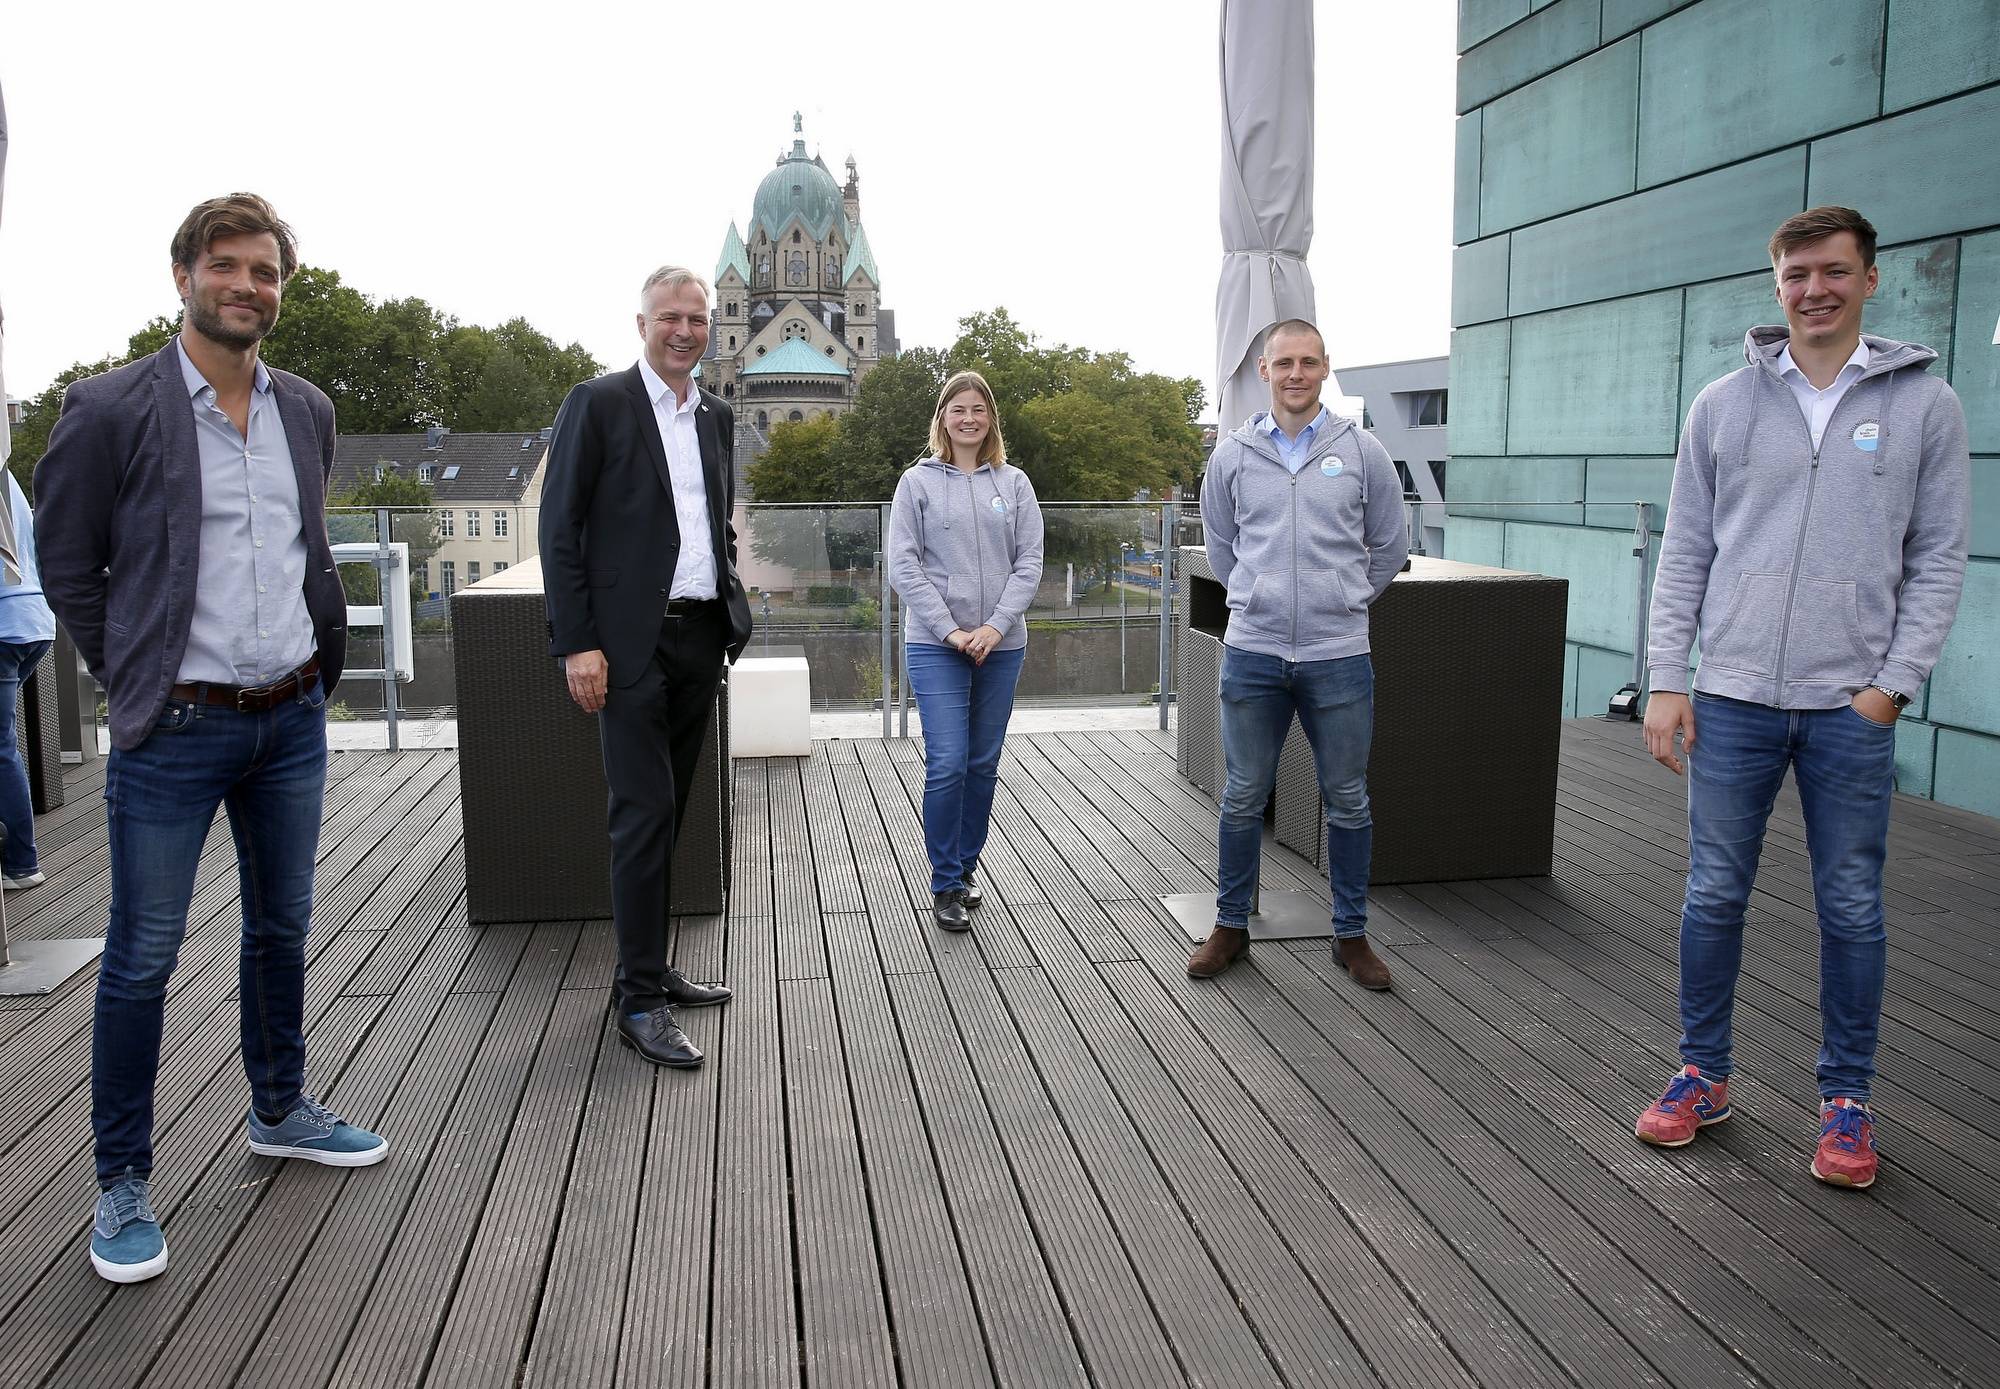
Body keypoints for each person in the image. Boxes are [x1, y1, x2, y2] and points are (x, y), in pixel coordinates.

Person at [36, 193, 385, 1285]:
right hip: (174, 725)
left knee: (281, 928)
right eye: (226, 265)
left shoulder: (306, 410)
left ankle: (278, 1108)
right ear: (183, 276)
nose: (246, 285)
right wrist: (134, 671)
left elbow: (299, 548)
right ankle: (121, 1181)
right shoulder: (107, 410)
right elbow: (66, 566)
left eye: (264, 270)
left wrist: (313, 674)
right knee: (142, 956)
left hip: (291, 716)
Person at [1637, 206, 1970, 1191]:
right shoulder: (1721, 404)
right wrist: (1667, 678)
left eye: (1832, 271)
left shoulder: (1926, 406)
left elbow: (1938, 557)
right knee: (1712, 893)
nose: (1813, 289)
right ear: (1775, 284)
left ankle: (1846, 1100)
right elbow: (1684, 549)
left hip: (1847, 708)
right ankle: (1703, 1074)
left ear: (1869, 278)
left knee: (1851, 906)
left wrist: (1890, 688)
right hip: (1732, 696)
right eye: (1796, 274)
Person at [538, 266, 750, 1069]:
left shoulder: (716, 415)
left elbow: (714, 522)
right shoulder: (597, 403)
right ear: (642, 324)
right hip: (626, 645)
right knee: (642, 814)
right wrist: (577, 642)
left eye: (697, 318)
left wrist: (728, 598)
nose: (685, 330)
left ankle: (652, 967)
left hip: (700, 637)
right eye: (671, 317)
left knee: (672, 808)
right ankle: (636, 1000)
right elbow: (560, 529)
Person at [1191, 319, 1407, 987]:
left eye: (1307, 362)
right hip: (1254, 652)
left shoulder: (1362, 450)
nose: (1295, 374)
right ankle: (1230, 925)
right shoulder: (1232, 454)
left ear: (1324, 368)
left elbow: (1391, 544)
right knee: (1242, 796)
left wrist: (1342, 598)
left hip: (1337, 654)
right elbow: (1221, 545)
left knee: (1348, 799)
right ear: (1264, 370)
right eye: (1283, 362)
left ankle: (1351, 934)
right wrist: (1255, 594)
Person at [888, 371, 1044, 931]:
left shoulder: (1015, 483)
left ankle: (964, 867)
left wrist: (996, 627)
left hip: (1002, 645)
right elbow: (903, 565)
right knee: (948, 761)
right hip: (937, 645)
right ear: (943, 418)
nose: (969, 418)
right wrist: (952, 631)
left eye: (979, 409)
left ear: (991, 418)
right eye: (958, 409)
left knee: (981, 764)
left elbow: (1030, 562)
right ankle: (945, 881)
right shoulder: (916, 483)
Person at [0, 471, 54, 888]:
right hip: (34, 620)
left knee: (1, 747)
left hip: (5, 626)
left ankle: (20, 863)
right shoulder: (6, 477)